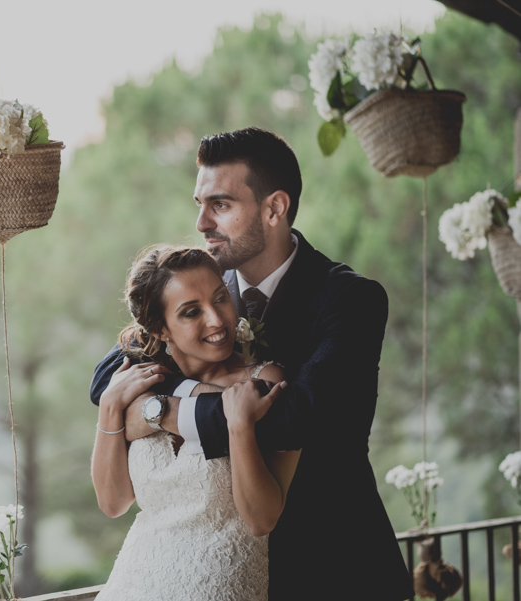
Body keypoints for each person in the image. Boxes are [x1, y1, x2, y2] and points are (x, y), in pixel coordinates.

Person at [90, 127, 413, 600]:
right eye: (199, 204)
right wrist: (150, 406)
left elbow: (296, 415)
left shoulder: (350, 299)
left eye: (219, 205)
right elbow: (109, 374)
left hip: (336, 569)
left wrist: (155, 413)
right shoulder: (207, 288)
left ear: (274, 208)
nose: (201, 222)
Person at [92, 245, 300, 600]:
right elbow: (114, 503)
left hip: (219, 587)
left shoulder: (262, 380)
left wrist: (239, 427)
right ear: (160, 330)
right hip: (134, 581)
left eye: (220, 298)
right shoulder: (137, 385)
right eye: (191, 312)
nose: (217, 320)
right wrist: (109, 406)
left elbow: (261, 520)